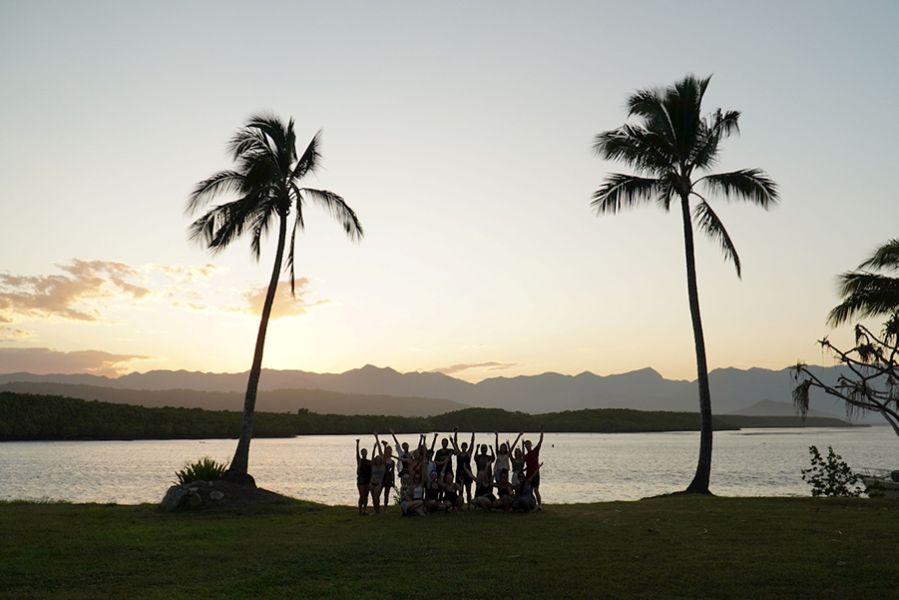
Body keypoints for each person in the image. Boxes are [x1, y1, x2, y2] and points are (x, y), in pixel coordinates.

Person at [451, 428, 475, 507]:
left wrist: (473, 433)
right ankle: (460, 505)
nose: (464, 447)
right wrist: (456, 433)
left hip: (467, 474)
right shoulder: (458, 453)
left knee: (468, 490)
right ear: (461, 447)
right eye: (463, 446)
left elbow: (472, 444)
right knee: (460, 491)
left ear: (466, 447)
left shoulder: (468, 454)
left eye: (465, 446)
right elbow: (455, 442)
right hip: (459, 473)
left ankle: (468, 505)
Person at [523, 427, 544, 509]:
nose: (527, 446)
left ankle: (539, 505)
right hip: (528, 474)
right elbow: (527, 465)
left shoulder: (535, 451)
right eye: (526, 445)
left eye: (528, 445)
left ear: (530, 445)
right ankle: (532, 504)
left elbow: (540, 441)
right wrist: (523, 470)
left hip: (535, 474)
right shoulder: (526, 456)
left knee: (536, 490)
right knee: (529, 490)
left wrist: (542, 432)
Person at [369, 440, 386, 514]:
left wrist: (384, 447)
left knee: (376, 497)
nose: (378, 461)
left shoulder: (383, 466)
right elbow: (372, 458)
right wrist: (374, 448)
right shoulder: (373, 465)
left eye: (379, 459)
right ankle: (375, 510)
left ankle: (378, 510)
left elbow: (384, 457)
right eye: (377, 459)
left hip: (379, 483)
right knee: (373, 498)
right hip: (372, 483)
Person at [355, 438, 372, 516]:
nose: (364, 453)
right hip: (361, 480)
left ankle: (364, 510)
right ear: (362, 453)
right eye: (363, 452)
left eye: (365, 452)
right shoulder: (359, 460)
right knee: (362, 495)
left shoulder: (369, 461)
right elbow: (357, 453)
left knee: (366, 495)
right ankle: (360, 510)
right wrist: (357, 444)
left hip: (367, 480)